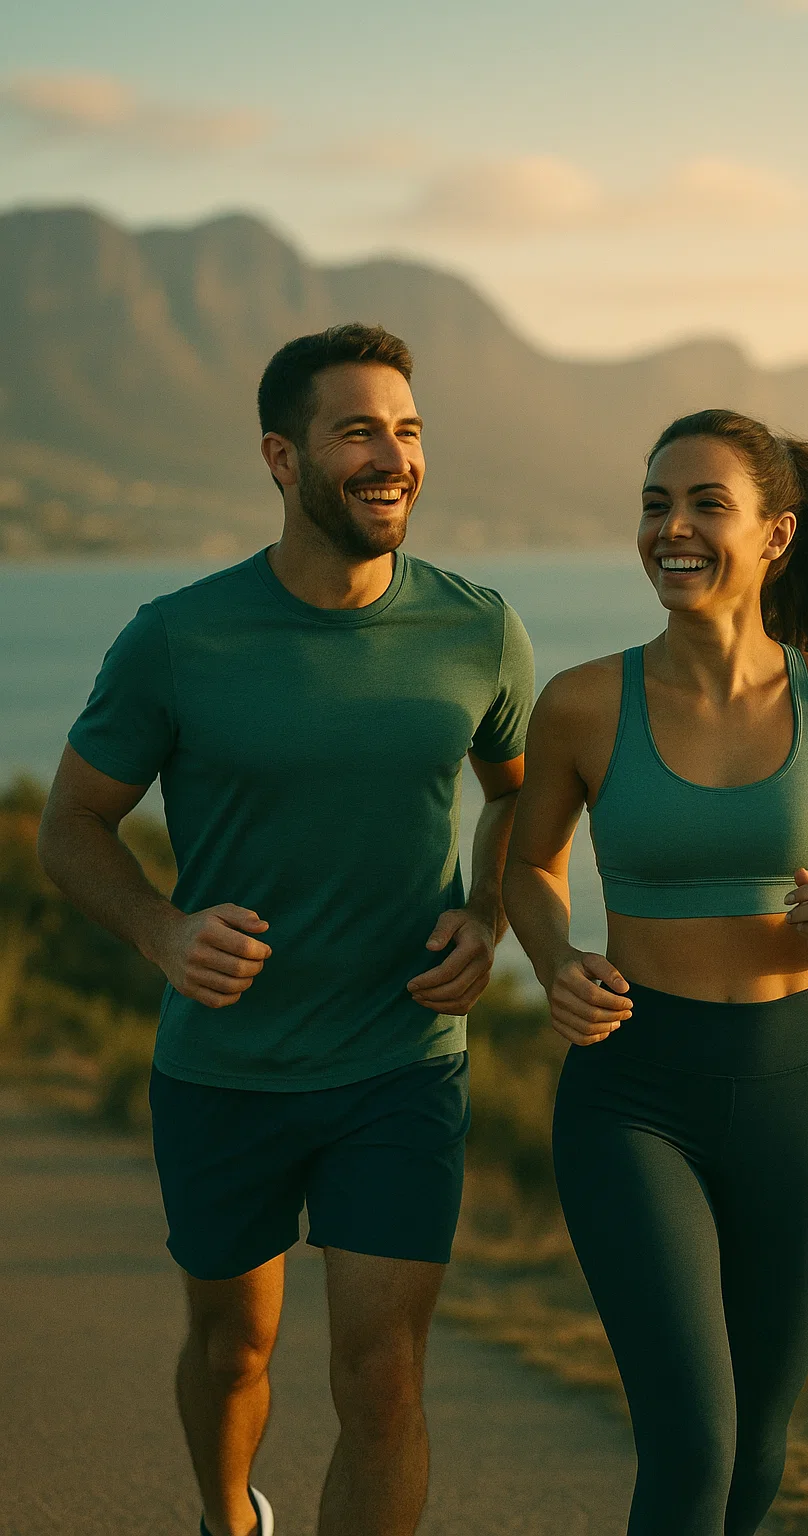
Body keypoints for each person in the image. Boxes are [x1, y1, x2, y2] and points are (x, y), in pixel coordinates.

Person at [37, 323, 533, 1536]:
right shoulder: (176, 637)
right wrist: (161, 931)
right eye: (358, 431)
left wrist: (487, 911)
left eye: (408, 431)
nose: (393, 457)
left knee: (384, 1376)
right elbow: (70, 827)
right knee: (231, 1353)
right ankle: (229, 1519)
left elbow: (522, 795)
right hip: (225, 1068)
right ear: (281, 457)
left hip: (401, 1064)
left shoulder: (477, 629)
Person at [502, 408, 808, 1536]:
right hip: (633, 1089)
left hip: (797, 1089)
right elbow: (530, 866)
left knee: (755, 1454)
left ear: (775, 534)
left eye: (707, 504)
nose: (673, 529)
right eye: (656, 504)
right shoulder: (584, 703)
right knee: (693, 1443)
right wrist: (557, 958)